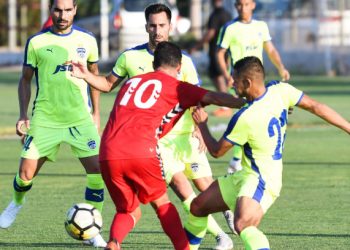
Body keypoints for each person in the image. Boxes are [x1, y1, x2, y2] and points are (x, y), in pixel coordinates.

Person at [69, 41, 245, 250]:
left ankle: (114, 243)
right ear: (179, 67)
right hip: (141, 150)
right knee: (163, 205)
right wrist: (249, 102)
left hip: (108, 151)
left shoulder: (130, 83)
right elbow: (216, 97)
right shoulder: (179, 87)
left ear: (154, 64)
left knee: (128, 211)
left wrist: (87, 76)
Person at [184, 56, 350, 250]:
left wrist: (202, 124)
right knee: (198, 207)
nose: (231, 83)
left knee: (243, 224)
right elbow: (316, 106)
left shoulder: (245, 117)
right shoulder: (281, 90)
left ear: (247, 82)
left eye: (235, 80)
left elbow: (216, 151)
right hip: (246, 175)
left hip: (262, 178)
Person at [106, 3, 235, 249]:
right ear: (146, 27)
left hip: (186, 136)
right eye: (153, 25)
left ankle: (226, 215)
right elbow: (108, 84)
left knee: (205, 188)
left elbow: (198, 96)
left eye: (162, 25)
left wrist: (199, 129)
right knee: (182, 189)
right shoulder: (131, 57)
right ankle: (220, 236)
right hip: (158, 142)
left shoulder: (181, 60)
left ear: (170, 26)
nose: (157, 30)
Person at [0, 0, 106, 247]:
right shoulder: (37, 42)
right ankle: (16, 203)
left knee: (97, 173)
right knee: (25, 174)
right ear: (51, 11)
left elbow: (94, 75)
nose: (63, 15)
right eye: (58, 10)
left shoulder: (88, 40)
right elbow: (25, 80)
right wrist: (22, 115)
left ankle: (92, 231)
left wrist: (96, 113)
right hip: (46, 119)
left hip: (80, 119)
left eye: (68, 10)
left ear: (75, 10)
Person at [217, 0, 291, 173]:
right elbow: (220, 53)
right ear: (236, 6)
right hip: (239, 83)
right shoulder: (230, 28)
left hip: (257, 82)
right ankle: (237, 160)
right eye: (240, 5)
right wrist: (227, 75)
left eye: (247, 4)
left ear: (253, 5)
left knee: (257, 117)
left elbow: (271, 49)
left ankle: (243, 159)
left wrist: (281, 67)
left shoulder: (261, 26)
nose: (243, 8)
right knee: (243, 118)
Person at [190, 0, 232, 94]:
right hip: (225, 48)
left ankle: (225, 105)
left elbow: (210, 33)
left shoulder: (215, 15)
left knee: (218, 75)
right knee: (219, 73)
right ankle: (226, 101)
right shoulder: (228, 14)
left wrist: (196, 46)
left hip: (216, 50)